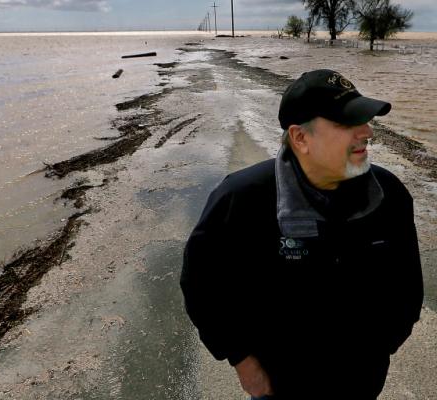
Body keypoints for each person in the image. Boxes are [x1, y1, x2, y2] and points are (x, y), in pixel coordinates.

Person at [180, 69, 423, 399]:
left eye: (365, 121)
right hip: (280, 384)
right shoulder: (242, 198)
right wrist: (242, 362)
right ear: (300, 138)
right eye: (347, 123)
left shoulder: (388, 195)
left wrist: (383, 346)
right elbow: (202, 286)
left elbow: (407, 284)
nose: (366, 132)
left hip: (363, 381)